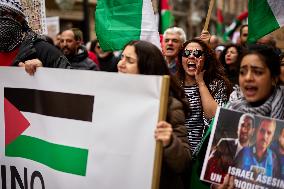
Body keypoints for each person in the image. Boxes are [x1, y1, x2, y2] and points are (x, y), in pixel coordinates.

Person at [189, 44, 284, 189]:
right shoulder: (227, 112)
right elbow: (202, 171)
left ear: (274, 78)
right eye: (243, 72)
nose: (248, 78)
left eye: (257, 72)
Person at [117, 40, 191, 189]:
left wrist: (169, 142)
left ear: (146, 68)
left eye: (129, 60)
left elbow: (183, 163)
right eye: (121, 57)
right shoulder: (113, 98)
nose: (121, 64)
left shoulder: (169, 106)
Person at [176, 38, 232, 156]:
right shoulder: (174, 84)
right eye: (186, 53)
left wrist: (200, 82)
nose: (191, 56)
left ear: (205, 58)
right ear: (181, 59)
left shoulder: (216, 84)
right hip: (178, 154)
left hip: (202, 155)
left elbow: (214, 118)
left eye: (197, 53)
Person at [0, 0, 70, 74]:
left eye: (2, 14)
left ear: (19, 18)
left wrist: (44, 73)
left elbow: (70, 80)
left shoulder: (43, 50)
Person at [204, 113, 255, 183]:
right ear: (238, 129)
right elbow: (207, 167)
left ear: (252, 131)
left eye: (248, 126)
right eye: (242, 125)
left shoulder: (254, 156)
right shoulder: (223, 143)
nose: (244, 129)